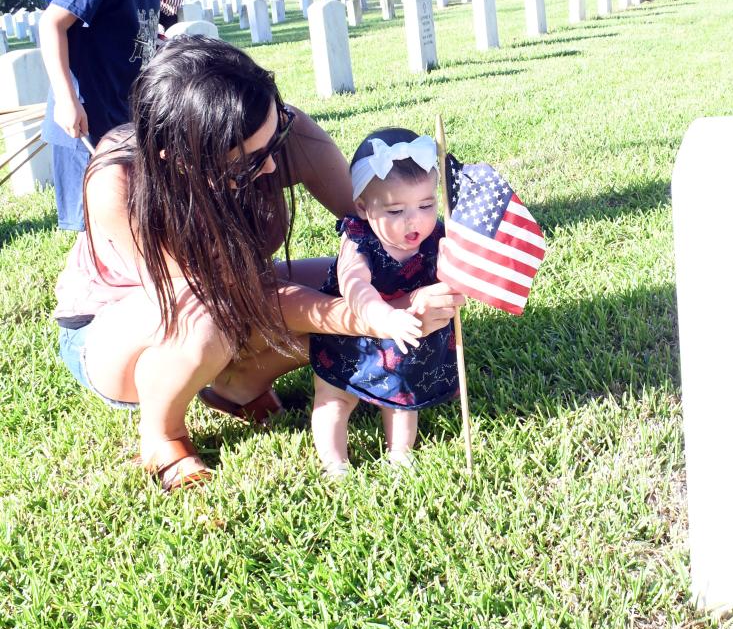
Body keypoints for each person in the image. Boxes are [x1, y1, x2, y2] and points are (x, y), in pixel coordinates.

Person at [52, 36, 463, 492]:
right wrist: (372, 318)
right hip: (122, 328)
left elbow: (368, 222)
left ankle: (238, 386)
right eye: (249, 163)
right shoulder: (119, 182)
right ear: (183, 160)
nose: (271, 167)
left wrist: (420, 270)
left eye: (276, 139)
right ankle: (162, 435)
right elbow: (232, 297)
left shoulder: (279, 132)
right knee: (208, 322)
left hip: (236, 293)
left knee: (347, 281)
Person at [309, 129, 459, 477]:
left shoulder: (435, 233)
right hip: (352, 340)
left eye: (426, 205)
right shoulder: (359, 240)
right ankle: (335, 463)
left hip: (406, 339)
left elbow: (454, 268)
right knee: (335, 399)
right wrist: (382, 317)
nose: (414, 220)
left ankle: (400, 455)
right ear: (363, 207)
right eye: (395, 210)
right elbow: (354, 285)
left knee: (403, 398)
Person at [39, 0, 164, 231]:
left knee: (129, 222)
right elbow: (51, 23)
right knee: (94, 228)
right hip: (85, 119)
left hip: (122, 119)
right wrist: (66, 100)